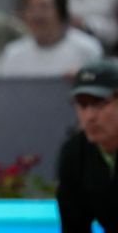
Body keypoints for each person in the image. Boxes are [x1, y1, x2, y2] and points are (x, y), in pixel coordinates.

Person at [57, 59, 118, 232]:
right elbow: (73, 226)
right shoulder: (74, 153)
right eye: (82, 105)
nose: (89, 116)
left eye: (99, 103)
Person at [0, 0, 103, 77]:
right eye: (30, 8)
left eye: (44, 7)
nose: (36, 15)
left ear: (61, 11)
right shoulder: (12, 54)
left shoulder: (87, 49)